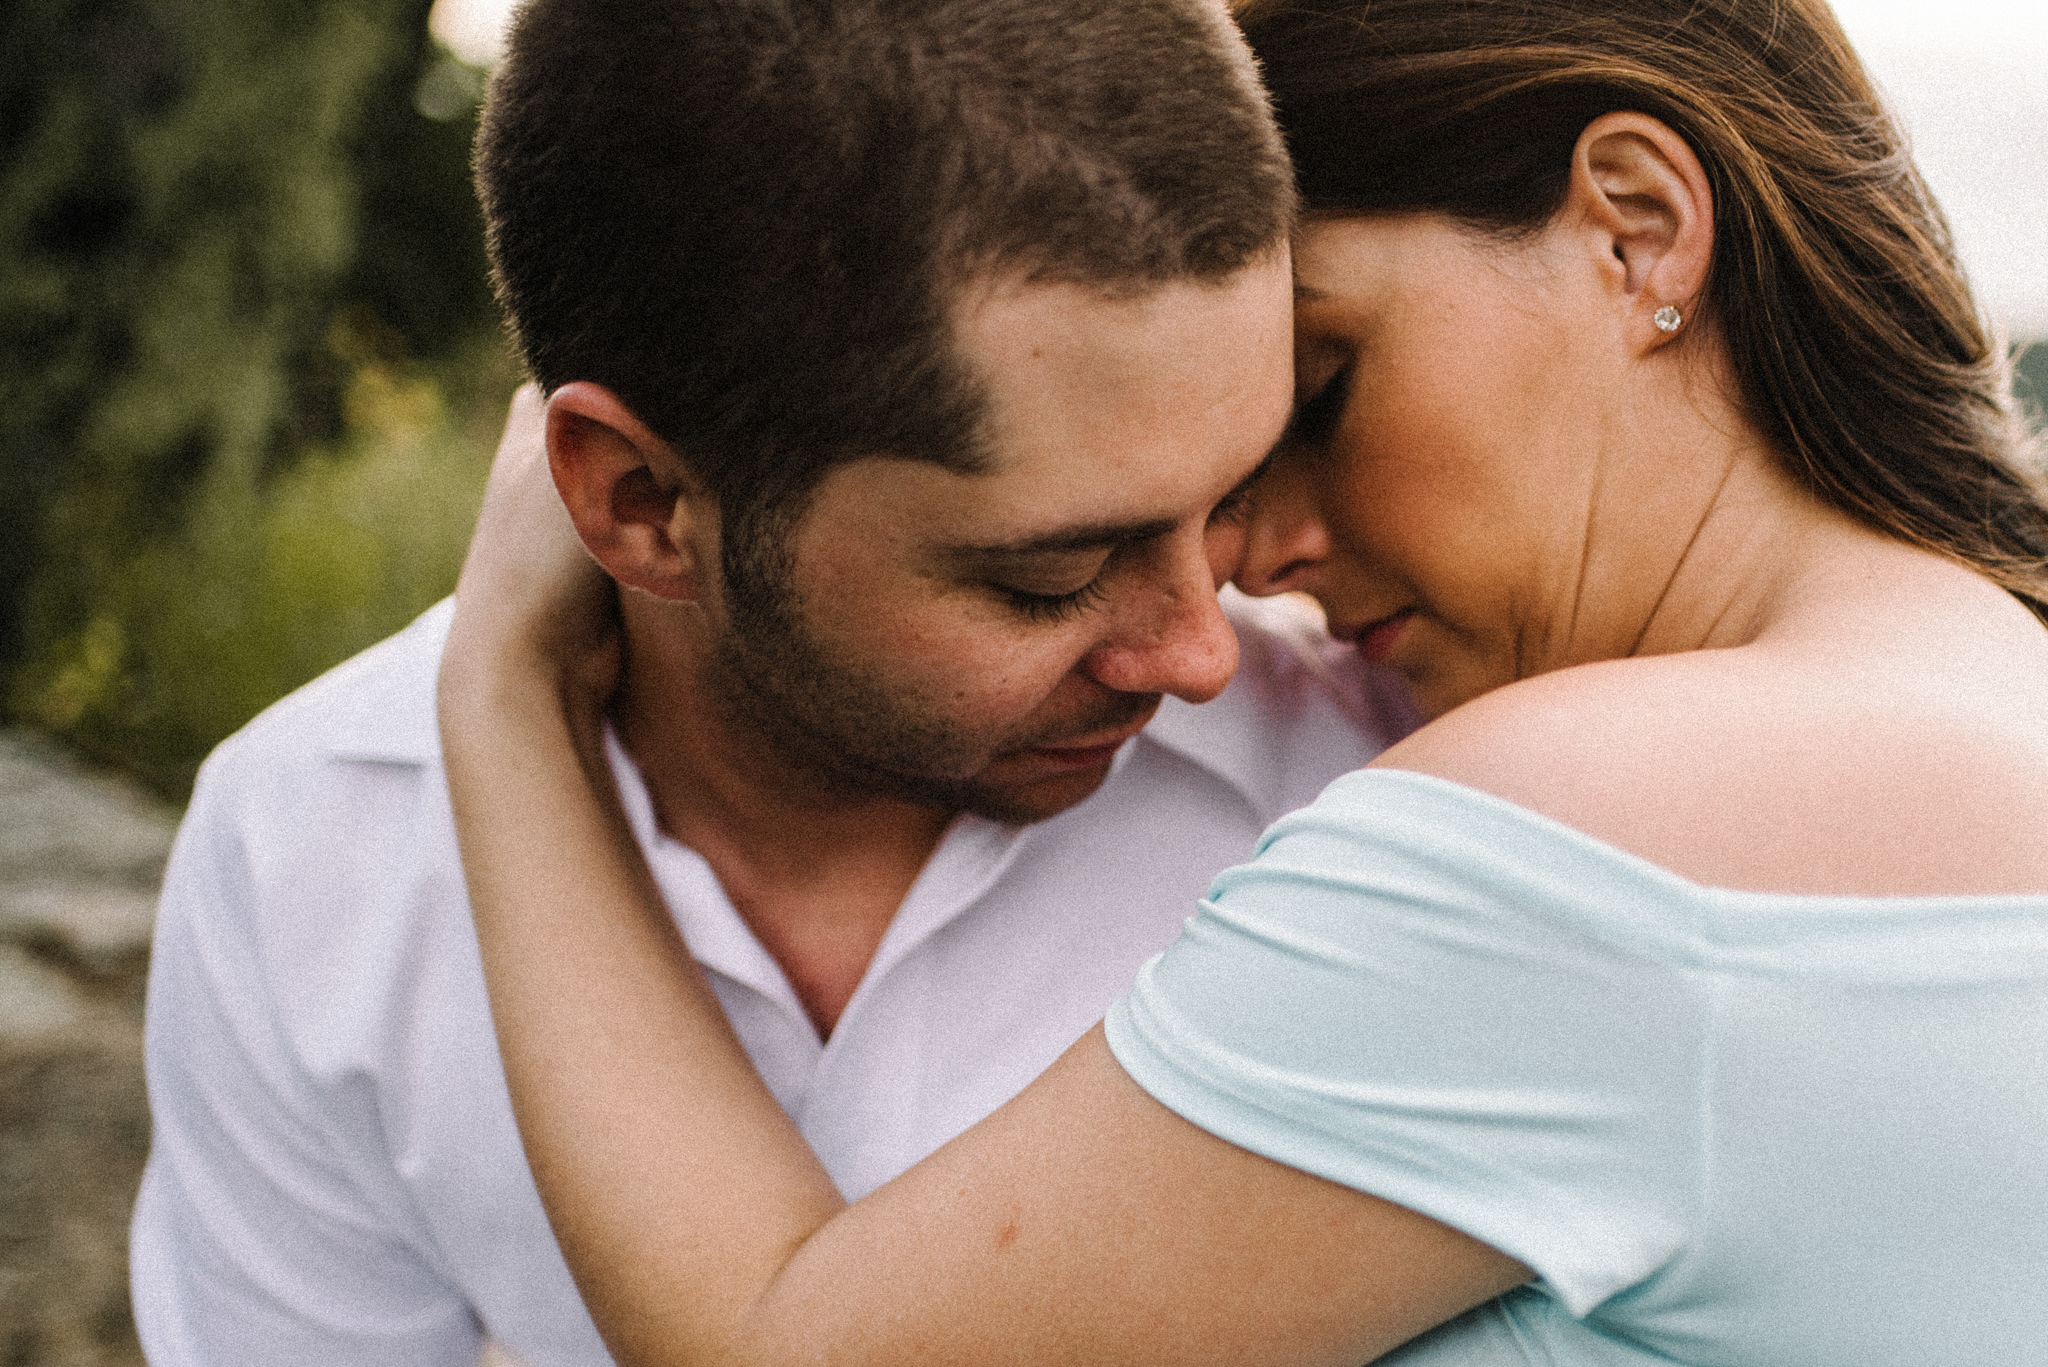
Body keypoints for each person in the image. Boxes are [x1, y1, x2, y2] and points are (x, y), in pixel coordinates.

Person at [438, 0, 2048, 1363]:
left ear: (1634, 225)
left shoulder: (1599, 831)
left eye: (1323, 388)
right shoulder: (1991, 688)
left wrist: (507, 699)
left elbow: (783, 1345)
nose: (1247, 560)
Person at [126, 1, 1418, 1361]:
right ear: (638, 503)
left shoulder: (1382, 777)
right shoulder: (308, 853)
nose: (1205, 650)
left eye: (1232, 494)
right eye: (1051, 576)